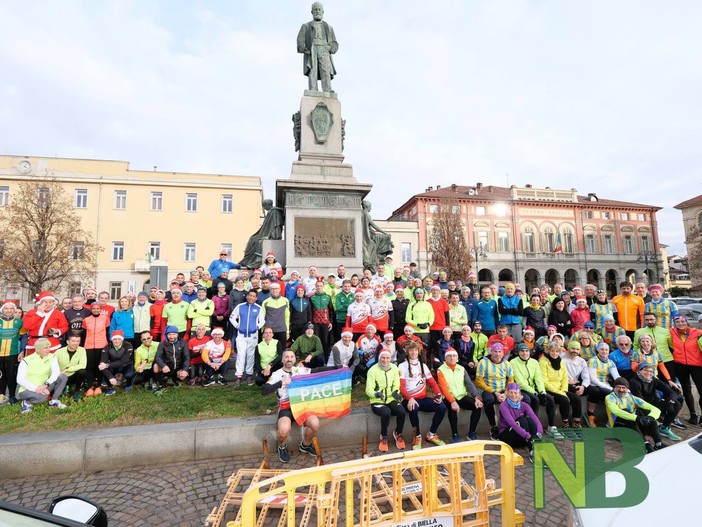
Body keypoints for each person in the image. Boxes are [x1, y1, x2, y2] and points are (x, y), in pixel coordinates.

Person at [262, 350, 323, 462]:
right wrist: (282, 383)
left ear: (295, 359)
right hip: (286, 408)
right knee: (283, 430)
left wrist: (340, 367)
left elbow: (318, 371)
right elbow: (264, 390)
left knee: (315, 424)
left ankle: (305, 445)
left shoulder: (299, 370)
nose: (289, 359)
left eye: (291, 357)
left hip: (301, 406)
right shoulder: (276, 374)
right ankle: (282, 446)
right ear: (282, 360)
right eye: (286, 357)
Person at [398, 341, 446, 449]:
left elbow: (432, 383)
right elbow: (401, 386)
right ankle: (417, 436)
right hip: (409, 399)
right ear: (407, 351)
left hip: (423, 398)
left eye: (415, 350)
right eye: (411, 350)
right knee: (413, 408)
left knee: (442, 407)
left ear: (418, 351)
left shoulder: (423, 365)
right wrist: (409, 398)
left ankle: (431, 434)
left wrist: (438, 395)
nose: (413, 352)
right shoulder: (402, 366)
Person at [605, 377, 666, 453]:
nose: (621, 390)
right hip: (617, 430)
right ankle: (645, 445)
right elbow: (616, 411)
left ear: (627, 389)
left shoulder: (633, 398)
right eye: (618, 387)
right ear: (614, 387)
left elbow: (655, 409)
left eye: (623, 388)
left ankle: (658, 443)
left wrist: (650, 418)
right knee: (626, 412)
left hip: (632, 429)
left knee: (648, 415)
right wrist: (637, 418)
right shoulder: (610, 397)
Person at [437, 348, 483, 442]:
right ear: (445, 358)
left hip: (461, 396)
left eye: (454, 356)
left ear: (457, 358)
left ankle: (471, 432)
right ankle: (455, 434)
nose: (452, 358)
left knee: (477, 406)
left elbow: (469, 383)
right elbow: (443, 388)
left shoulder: (461, 369)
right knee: (452, 410)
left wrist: (476, 397)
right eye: (449, 356)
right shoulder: (440, 370)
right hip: (448, 397)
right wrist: (453, 401)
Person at [629, 363, 682, 442]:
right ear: (639, 371)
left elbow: (671, 391)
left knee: (676, 404)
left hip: (654, 403)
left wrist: (670, 403)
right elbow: (640, 402)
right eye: (645, 370)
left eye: (651, 371)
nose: (648, 373)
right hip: (642, 407)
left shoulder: (653, 379)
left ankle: (664, 428)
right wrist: (654, 411)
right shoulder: (634, 382)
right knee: (649, 421)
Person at [511, 343, 558, 430]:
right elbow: (520, 381)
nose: (525, 353)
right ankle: (533, 427)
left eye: (527, 351)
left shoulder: (534, 362)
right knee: (535, 400)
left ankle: (552, 426)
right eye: (522, 351)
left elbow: (538, 379)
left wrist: (542, 392)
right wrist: (535, 393)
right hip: (521, 389)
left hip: (533, 388)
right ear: (518, 352)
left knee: (550, 399)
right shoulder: (513, 362)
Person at [366, 349, 406, 452]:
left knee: (402, 411)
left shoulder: (394, 368)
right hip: (377, 400)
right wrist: (376, 394)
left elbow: (396, 384)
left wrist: (395, 392)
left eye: (387, 358)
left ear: (390, 359)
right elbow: (368, 390)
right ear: (379, 358)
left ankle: (398, 433)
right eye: (383, 358)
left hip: (390, 399)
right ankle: (383, 436)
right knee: (386, 413)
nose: (385, 360)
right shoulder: (372, 370)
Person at [16, 338, 68, 413]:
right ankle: (26, 402)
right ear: (37, 349)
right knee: (42, 398)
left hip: (45, 385)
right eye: (45, 348)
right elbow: (20, 379)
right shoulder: (26, 360)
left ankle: (54, 400)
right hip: (28, 389)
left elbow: (56, 372)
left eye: (49, 347)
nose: (48, 349)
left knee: (62, 377)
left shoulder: (52, 357)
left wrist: (46, 384)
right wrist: (36, 389)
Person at [540, 341, 583, 431]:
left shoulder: (561, 361)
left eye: (557, 351)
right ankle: (565, 422)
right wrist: (561, 393)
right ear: (548, 350)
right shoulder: (543, 362)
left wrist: (564, 390)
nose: (554, 353)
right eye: (552, 351)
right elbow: (544, 382)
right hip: (549, 389)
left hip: (561, 389)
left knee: (577, 399)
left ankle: (576, 422)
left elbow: (564, 378)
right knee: (565, 399)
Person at [297, 2, 339, 93]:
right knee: (313, 71)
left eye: (319, 9)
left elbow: (335, 43)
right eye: (315, 10)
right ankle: (313, 89)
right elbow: (300, 40)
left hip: (324, 50)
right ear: (312, 12)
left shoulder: (328, 27)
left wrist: (329, 48)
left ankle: (327, 89)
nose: (317, 11)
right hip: (312, 49)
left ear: (323, 12)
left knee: (325, 71)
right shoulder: (306, 26)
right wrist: (302, 48)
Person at [476, 342, 515, 440]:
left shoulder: (507, 364)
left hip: (503, 390)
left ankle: (509, 425)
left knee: (513, 400)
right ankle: (493, 426)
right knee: (488, 400)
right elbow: (479, 381)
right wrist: (495, 392)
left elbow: (510, 380)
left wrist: (506, 394)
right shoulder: (483, 362)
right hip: (487, 389)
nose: (497, 354)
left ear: (503, 353)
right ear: (491, 352)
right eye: (495, 352)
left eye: (500, 352)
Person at [668, 315, 702, 425]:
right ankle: (693, 414)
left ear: (686, 322)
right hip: (680, 364)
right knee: (686, 389)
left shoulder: (697, 332)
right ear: (674, 323)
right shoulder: (671, 332)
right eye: (677, 321)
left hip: (696, 364)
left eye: (683, 321)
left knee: (701, 390)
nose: (680, 323)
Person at [498, 383, 543, 460]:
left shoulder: (524, 405)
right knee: (522, 420)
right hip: (507, 436)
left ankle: (536, 444)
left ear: (519, 394)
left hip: (521, 438)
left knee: (529, 420)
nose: (513, 395)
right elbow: (512, 424)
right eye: (511, 392)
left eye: (516, 393)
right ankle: (532, 451)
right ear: (507, 393)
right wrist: (528, 436)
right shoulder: (503, 405)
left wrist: (539, 433)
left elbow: (535, 419)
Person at [230, 289, 265, 386]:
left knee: (250, 356)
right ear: (247, 296)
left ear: (256, 298)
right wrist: (237, 326)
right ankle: (238, 376)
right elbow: (232, 317)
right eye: (250, 295)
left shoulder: (258, 308)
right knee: (241, 355)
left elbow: (262, 320)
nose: (251, 298)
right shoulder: (240, 306)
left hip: (253, 336)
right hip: (241, 335)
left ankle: (249, 375)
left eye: (254, 296)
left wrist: (257, 327)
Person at [586, 342, 620, 427]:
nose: (604, 351)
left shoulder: (610, 362)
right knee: (598, 392)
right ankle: (590, 414)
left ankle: (614, 419)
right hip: (592, 384)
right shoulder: (593, 361)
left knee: (614, 395)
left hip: (605, 384)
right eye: (602, 349)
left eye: (606, 350)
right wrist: (608, 387)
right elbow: (593, 379)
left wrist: (623, 386)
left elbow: (616, 376)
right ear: (598, 350)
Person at [153, 326, 190, 393]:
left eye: (174, 334)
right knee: (155, 367)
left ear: (177, 334)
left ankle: (174, 379)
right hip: (167, 366)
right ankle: (162, 384)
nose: (172, 336)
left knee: (182, 376)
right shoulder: (162, 343)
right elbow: (157, 357)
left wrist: (185, 370)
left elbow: (186, 357)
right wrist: (163, 365)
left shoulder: (183, 343)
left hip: (178, 367)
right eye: (169, 334)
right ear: (166, 335)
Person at [0, 300, 22, 405]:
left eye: (11, 308)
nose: (9, 310)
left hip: (13, 353)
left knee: (11, 375)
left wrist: (22, 351)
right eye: (6, 308)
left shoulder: (19, 322)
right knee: (1, 375)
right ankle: (1, 394)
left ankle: (12, 395)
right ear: (2, 309)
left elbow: (23, 337)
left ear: (14, 310)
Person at [99, 330, 135, 395]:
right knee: (103, 370)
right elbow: (102, 363)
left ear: (122, 340)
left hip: (126, 364)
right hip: (114, 365)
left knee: (129, 375)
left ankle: (129, 383)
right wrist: (110, 377)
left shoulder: (128, 345)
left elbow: (122, 361)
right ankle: (111, 388)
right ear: (112, 340)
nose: (117, 341)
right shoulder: (107, 347)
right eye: (115, 339)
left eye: (119, 339)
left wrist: (107, 365)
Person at [55, 334, 87, 401]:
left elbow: (83, 365)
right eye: (73, 341)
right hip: (61, 376)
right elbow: (53, 365)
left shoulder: (82, 350)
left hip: (73, 376)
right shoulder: (59, 351)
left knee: (82, 372)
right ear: (67, 342)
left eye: (78, 341)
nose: (75, 343)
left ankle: (76, 392)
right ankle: (62, 388)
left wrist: (67, 369)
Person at [260, 283, 290, 355]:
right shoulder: (265, 302)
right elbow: (262, 317)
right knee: (269, 351)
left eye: (276, 288)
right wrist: (262, 331)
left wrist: (287, 331)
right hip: (269, 331)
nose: (274, 290)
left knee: (282, 351)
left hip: (281, 329)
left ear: (279, 289)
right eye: (272, 289)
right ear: (270, 290)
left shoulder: (285, 301)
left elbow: (287, 317)